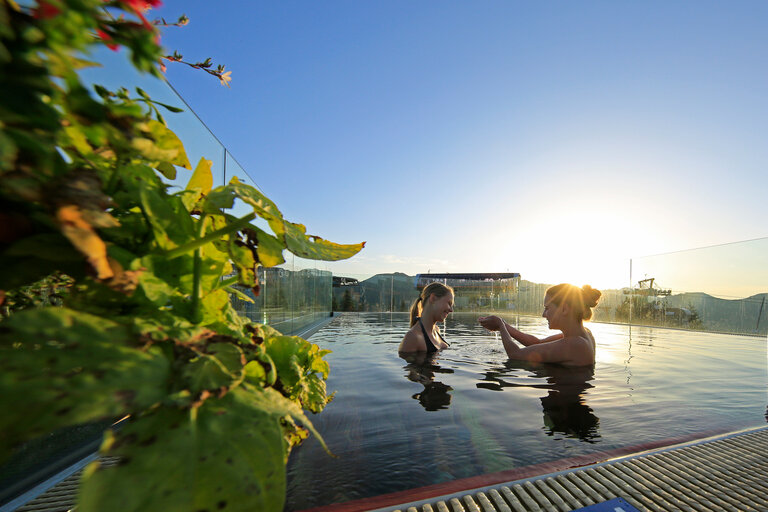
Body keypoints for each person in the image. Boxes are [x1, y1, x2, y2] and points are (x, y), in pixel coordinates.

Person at [479, 283, 601, 366]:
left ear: (564, 309)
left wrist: (500, 325)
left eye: (547, 308)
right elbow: (537, 343)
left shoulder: (576, 344)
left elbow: (515, 354)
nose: (543, 314)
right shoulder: (584, 334)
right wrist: (504, 325)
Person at [399, 282, 454, 353]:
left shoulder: (436, 330)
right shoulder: (413, 337)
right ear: (433, 298)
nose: (451, 310)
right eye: (449, 303)